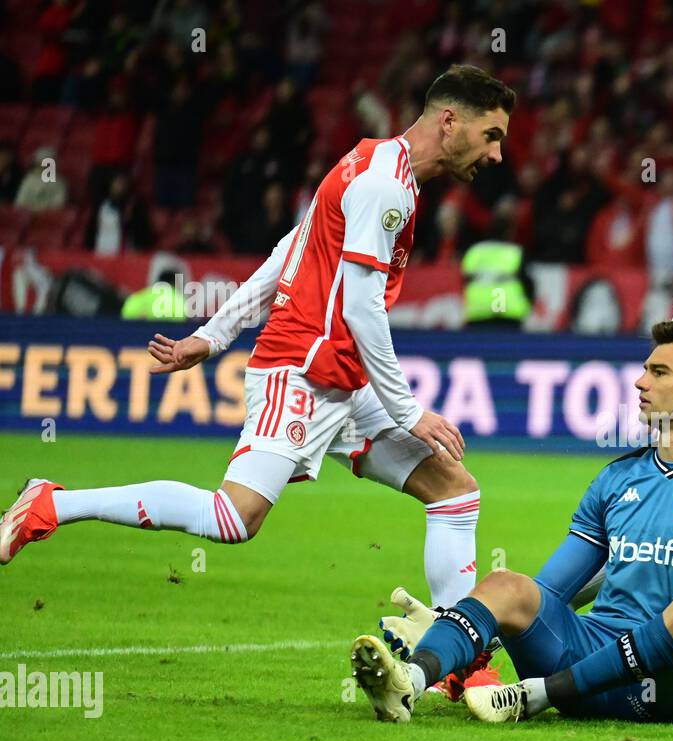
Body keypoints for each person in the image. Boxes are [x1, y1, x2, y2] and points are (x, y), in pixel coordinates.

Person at [0, 66, 515, 621]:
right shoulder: (385, 186)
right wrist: (410, 412)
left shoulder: (371, 164)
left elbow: (287, 253)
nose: (497, 156)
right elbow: (360, 308)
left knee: (455, 493)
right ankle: (51, 503)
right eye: (492, 136)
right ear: (449, 121)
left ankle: (456, 654)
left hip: (341, 378)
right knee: (232, 518)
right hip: (299, 370)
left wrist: (211, 334)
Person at [349, 322, 673, 731]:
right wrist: (467, 627)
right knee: (506, 585)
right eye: (643, 370)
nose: (640, 383)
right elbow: (550, 591)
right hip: (589, 652)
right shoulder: (617, 478)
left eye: (658, 372)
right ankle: (408, 683)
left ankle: (537, 696)